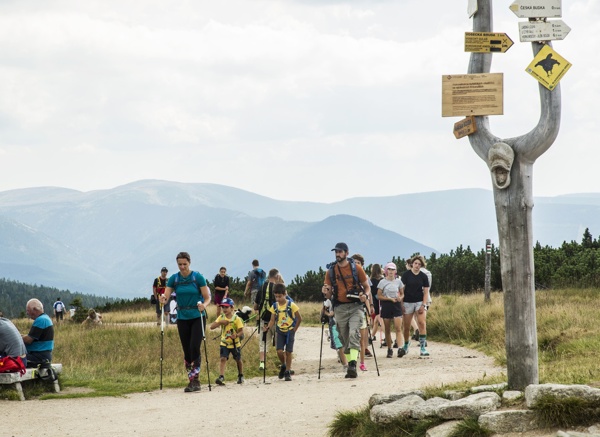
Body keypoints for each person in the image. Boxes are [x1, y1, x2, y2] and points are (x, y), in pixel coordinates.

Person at [159, 252, 211, 392]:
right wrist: (163, 298)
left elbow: (207, 297)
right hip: (182, 317)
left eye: (184, 264)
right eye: (179, 264)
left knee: (194, 346)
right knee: (186, 350)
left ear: (189, 263)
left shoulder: (197, 277)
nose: (182, 267)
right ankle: (191, 379)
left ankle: (196, 380)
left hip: (197, 315)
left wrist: (204, 305)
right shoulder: (174, 279)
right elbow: (167, 295)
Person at [322, 242, 371, 379]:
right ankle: (351, 364)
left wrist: (365, 296)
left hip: (356, 306)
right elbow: (328, 294)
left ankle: (353, 365)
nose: (338, 254)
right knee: (343, 338)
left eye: (340, 252)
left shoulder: (357, 268)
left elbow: (367, 286)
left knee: (354, 333)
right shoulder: (330, 272)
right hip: (339, 307)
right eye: (336, 252)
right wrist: (325, 292)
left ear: (346, 253)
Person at [265, 283, 301, 381]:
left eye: (280, 296)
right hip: (279, 331)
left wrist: (294, 329)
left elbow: (299, 318)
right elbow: (272, 320)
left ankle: (287, 371)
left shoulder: (291, 305)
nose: (278, 299)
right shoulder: (274, 306)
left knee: (289, 352)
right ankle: (284, 364)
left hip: (289, 331)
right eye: (276, 297)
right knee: (279, 351)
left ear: (285, 294)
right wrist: (268, 328)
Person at [210, 297, 245, 385]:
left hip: (235, 344)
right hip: (224, 343)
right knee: (223, 358)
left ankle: (240, 375)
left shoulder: (236, 319)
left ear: (232, 308)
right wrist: (221, 322)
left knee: (238, 359)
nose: (224, 309)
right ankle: (221, 377)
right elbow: (212, 327)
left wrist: (236, 335)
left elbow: (241, 331)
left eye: (226, 307)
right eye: (223, 307)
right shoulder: (221, 317)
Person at [400, 255, 430, 357]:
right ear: (412, 264)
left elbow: (426, 292)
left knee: (422, 323)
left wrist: (423, 304)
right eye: (416, 263)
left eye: (419, 264)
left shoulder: (423, 276)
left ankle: (422, 347)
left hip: (419, 301)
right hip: (407, 301)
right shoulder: (406, 275)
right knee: (406, 326)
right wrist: (401, 304)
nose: (417, 266)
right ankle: (406, 344)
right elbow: (401, 290)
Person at [254, 268, 281, 370]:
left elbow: (255, 306)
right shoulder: (278, 289)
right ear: (277, 276)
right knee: (280, 343)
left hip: (264, 320)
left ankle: (262, 363)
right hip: (277, 320)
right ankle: (283, 364)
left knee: (263, 343)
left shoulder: (261, 287)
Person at [377, 262, 405, 358]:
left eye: (393, 270)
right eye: (389, 269)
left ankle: (400, 348)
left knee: (398, 328)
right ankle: (389, 348)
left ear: (395, 271)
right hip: (386, 305)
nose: (391, 271)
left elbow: (402, 293)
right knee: (387, 329)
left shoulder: (398, 281)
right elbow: (379, 296)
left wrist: (400, 298)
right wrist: (389, 299)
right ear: (386, 271)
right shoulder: (382, 282)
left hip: (396, 305)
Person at [351, 253, 373, 372]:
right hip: (350, 309)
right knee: (353, 336)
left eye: (358, 263)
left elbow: (368, 296)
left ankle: (362, 362)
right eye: (354, 262)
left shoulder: (365, 277)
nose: (356, 265)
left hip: (362, 309)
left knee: (362, 338)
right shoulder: (348, 277)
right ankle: (353, 360)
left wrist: (369, 312)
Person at [21, 298, 54, 368]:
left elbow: (28, 340)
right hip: (43, 355)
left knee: (10, 359)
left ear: (35, 309)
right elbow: (33, 336)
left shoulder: (41, 320)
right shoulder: (46, 318)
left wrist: (16, 337)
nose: (27, 313)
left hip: (38, 356)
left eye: (28, 310)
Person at [408, 259, 432, 341]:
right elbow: (428, 287)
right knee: (422, 321)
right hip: (426, 298)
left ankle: (419, 335)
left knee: (418, 320)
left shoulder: (415, 273)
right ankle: (423, 339)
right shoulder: (429, 273)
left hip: (417, 298)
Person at [322, 298, 347, 372]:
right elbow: (323, 309)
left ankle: (348, 362)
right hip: (335, 323)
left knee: (346, 343)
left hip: (345, 322)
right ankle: (345, 364)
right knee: (340, 344)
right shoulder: (329, 300)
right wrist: (329, 314)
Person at [369, 264, 384, 342]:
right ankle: (371, 336)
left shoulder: (372, 280)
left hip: (376, 300)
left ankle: (387, 337)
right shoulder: (382, 279)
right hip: (382, 299)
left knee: (379, 318)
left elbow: (371, 291)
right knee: (376, 321)